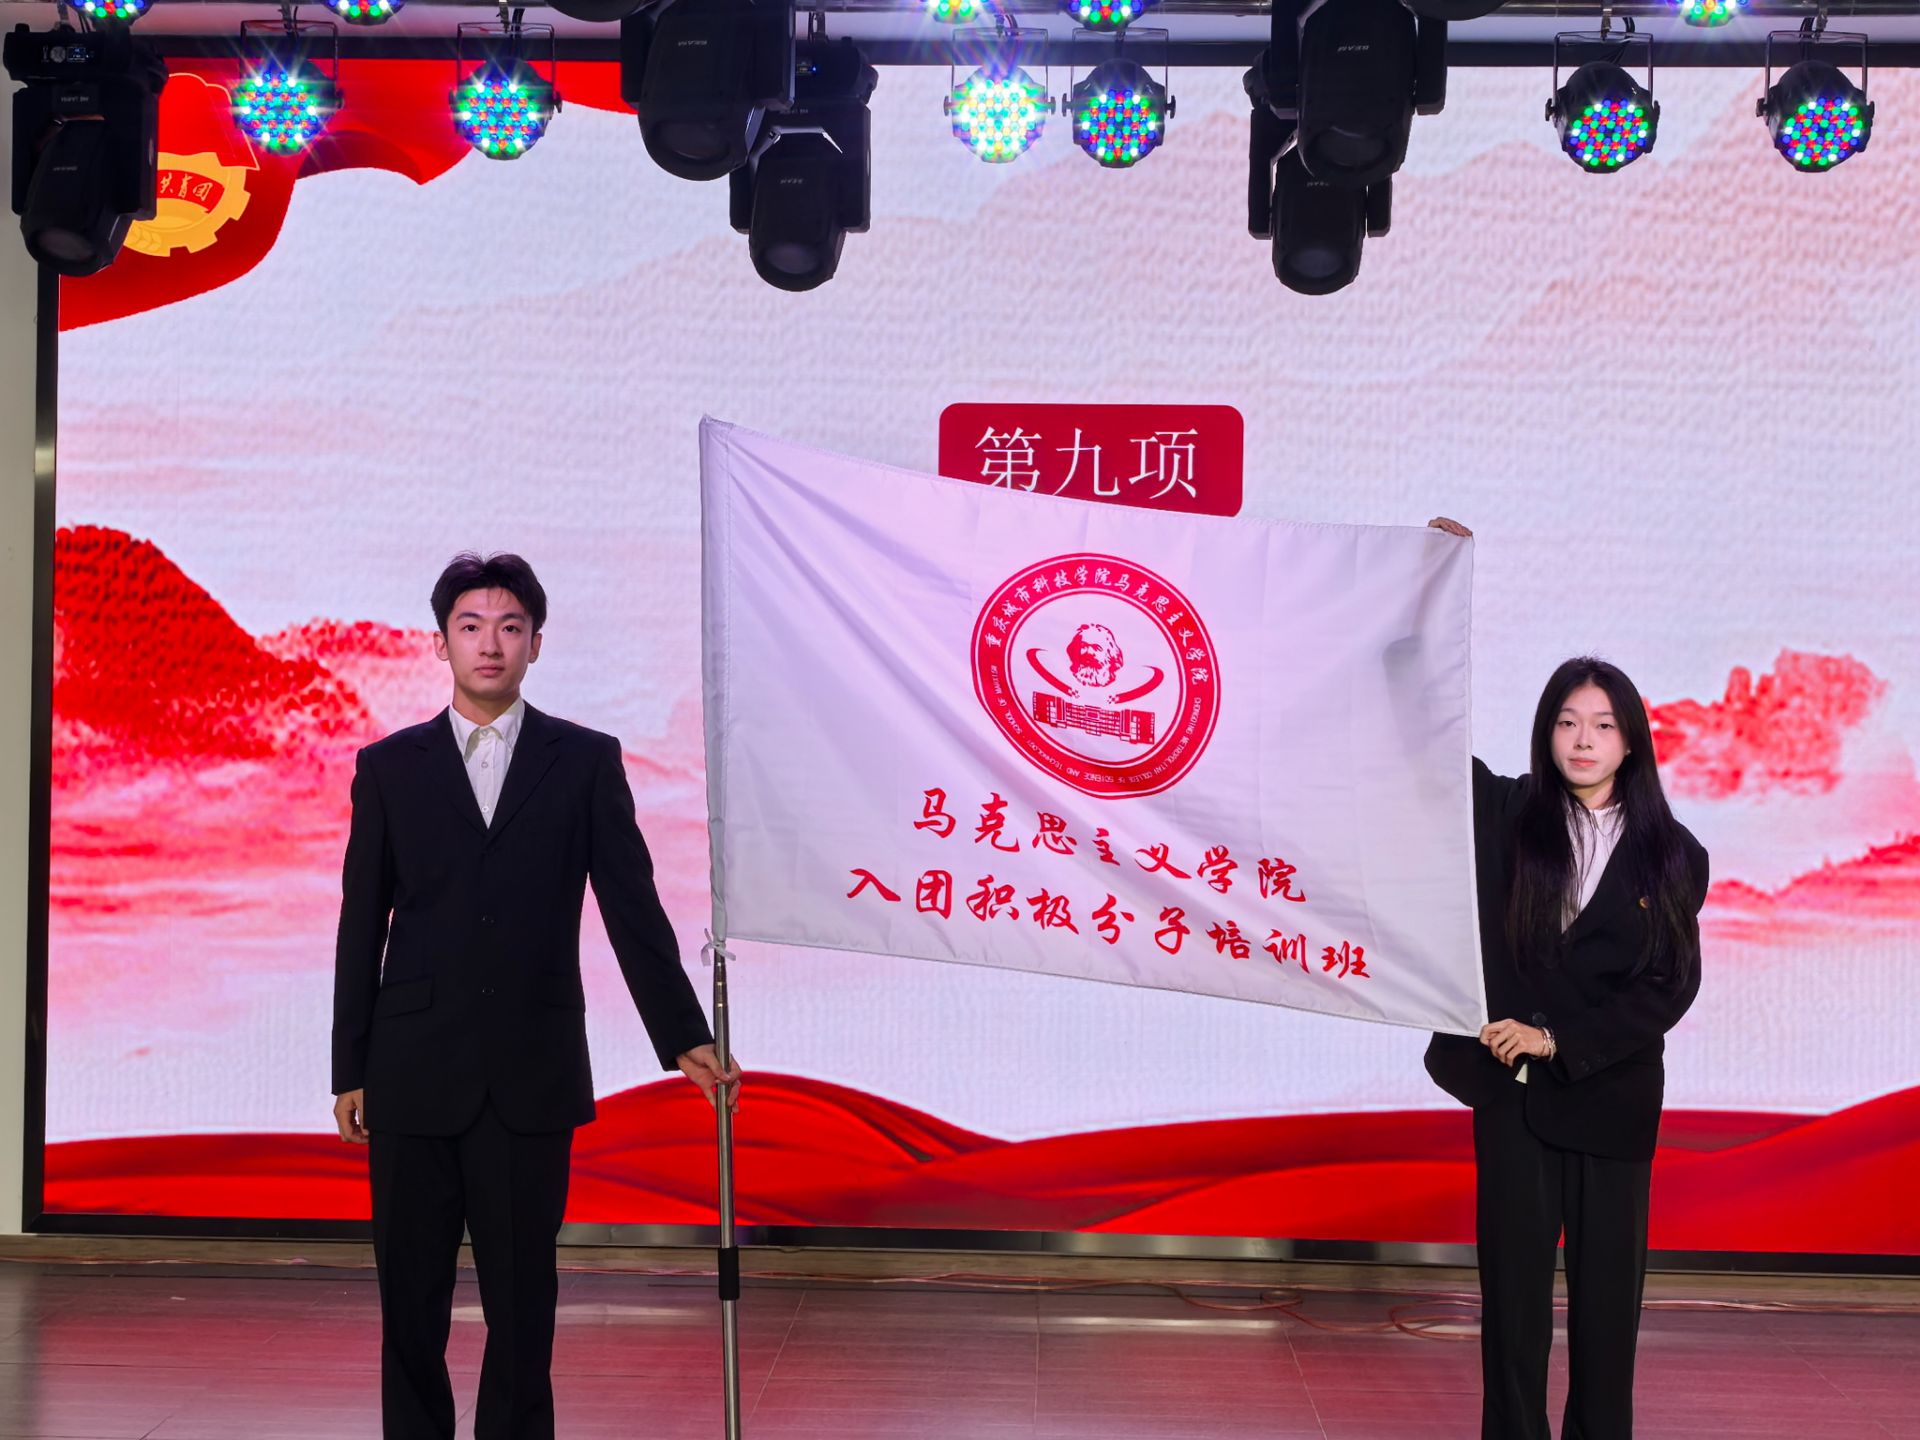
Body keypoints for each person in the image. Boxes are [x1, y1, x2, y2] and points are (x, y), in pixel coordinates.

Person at [330, 551, 741, 1440]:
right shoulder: (389, 767)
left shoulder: (583, 761)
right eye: (471, 626)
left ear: (536, 644)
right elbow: (361, 924)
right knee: (410, 1306)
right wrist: (349, 1068)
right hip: (411, 1073)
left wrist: (683, 1033)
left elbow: (631, 906)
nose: (491, 644)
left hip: (530, 1072)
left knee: (523, 1309)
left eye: (510, 628)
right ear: (440, 643)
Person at [1422, 517, 1710, 1440]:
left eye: (1603, 725)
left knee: (1605, 1312)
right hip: (1510, 1095)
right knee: (1511, 1308)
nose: (1583, 740)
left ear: (1632, 742)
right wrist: (1428, 587)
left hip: (1611, 1099)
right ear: (1547, 732)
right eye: (1567, 722)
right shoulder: (1509, 815)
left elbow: (1666, 988)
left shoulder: (1674, 854)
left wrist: (1558, 1040)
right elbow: (1425, 734)